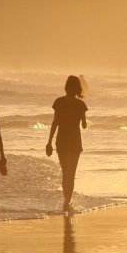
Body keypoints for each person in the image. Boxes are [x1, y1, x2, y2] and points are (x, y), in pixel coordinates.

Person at [46, 75, 88, 213]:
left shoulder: (58, 102)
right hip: (75, 141)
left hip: (61, 139)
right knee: (71, 173)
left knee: (65, 172)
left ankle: (66, 200)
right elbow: (84, 125)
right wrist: (82, 118)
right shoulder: (81, 104)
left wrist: (49, 142)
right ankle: (67, 201)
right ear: (78, 88)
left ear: (66, 86)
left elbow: (55, 122)